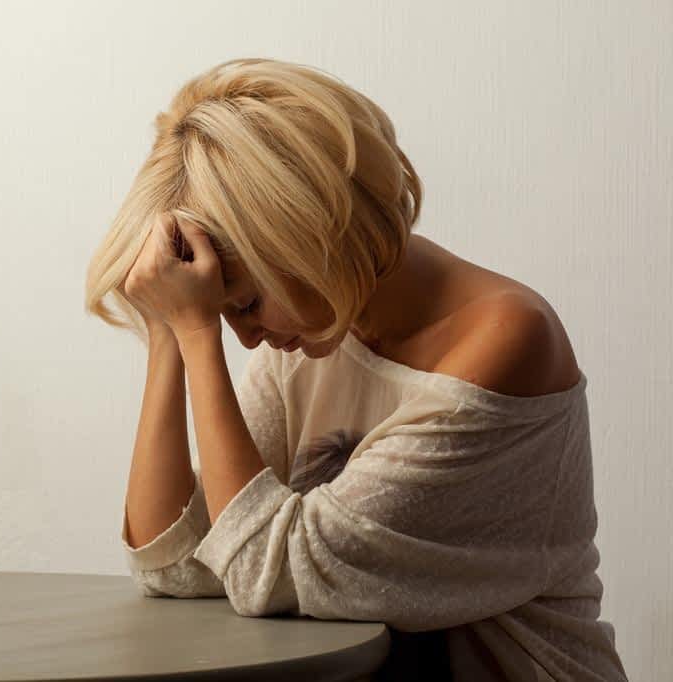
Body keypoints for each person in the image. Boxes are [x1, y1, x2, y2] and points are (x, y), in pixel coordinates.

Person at [83, 57, 628, 681]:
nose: (249, 337)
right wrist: (167, 333)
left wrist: (199, 332)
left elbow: (268, 569)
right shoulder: (321, 334)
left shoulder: (507, 342)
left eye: (246, 304)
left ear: (308, 237)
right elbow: (179, 564)